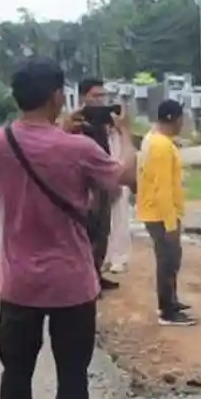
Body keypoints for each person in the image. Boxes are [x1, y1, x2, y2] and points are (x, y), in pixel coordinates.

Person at [0, 57, 136, 399]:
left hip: (18, 284)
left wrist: (54, 129)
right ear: (55, 97)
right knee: (72, 375)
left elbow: (14, 168)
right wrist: (123, 132)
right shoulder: (79, 149)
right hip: (70, 283)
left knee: (16, 373)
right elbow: (123, 177)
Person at [136, 100, 195, 327]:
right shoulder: (160, 145)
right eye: (182, 119)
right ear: (174, 119)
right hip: (160, 214)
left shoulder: (155, 139)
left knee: (172, 259)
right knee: (168, 261)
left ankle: (171, 300)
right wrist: (170, 224)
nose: (183, 123)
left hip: (157, 212)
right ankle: (167, 311)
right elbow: (163, 188)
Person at [77, 78, 120, 291]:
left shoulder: (102, 120)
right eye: (95, 96)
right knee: (90, 233)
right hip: (88, 185)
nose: (100, 100)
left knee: (104, 230)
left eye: (102, 96)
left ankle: (97, 273)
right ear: (84, 97)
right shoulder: (79, 122)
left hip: (103, 180)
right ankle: (88, 281)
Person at [103, 96, 134, 274]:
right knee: (104, 221)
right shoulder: (99, 134)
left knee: (120, 219)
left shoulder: (120, 136)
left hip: (120, 179)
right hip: (103, 180)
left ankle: (119, 258)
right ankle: (106, 257)